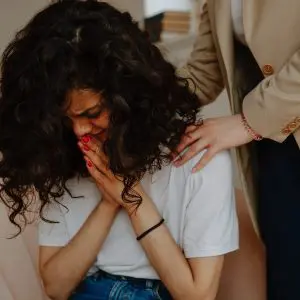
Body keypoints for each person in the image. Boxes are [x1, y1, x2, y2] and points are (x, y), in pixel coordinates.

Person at [0, 1, 238, 299]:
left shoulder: (197, 154)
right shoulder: (67, 156)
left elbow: (197, 295)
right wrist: (109, 202)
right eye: (65, 119)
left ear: (128, 95)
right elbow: (56, 287)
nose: (79, 131)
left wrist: (131, 197)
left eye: (92, 113)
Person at [174, 0, 300, 299]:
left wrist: (246, 123)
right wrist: (128, 101)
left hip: (262, 123)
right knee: (289, 272)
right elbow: (203, 72)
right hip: (275, 145)